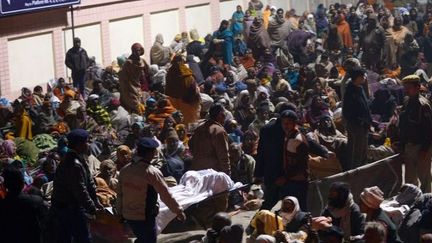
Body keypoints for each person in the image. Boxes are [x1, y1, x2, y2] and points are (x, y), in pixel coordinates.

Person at [117, 137, 186, 243]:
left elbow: (120, 195)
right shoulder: (152, 172)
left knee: (143, 239)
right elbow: (165, 194)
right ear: (150, 153)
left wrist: (120, 213)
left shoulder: (124, 170)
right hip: (144, 217)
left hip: (128, 216)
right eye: (154, 152)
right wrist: (178, 211)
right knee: (149, 240)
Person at [51, 129, 102, 243]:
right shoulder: (73, 164)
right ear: (79, 145)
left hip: (72, 204)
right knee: (81, 237)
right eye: (86, 142)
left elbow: (89, 180)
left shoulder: (80, 157)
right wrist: (92, 208)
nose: (88, 144)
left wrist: (95, 199)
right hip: (67, 206)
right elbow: (80, 190)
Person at [399, 75, 432, 193]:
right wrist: (401, 144)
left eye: (409, 87)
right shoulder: (406, 101)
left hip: (421, 147)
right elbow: (403, 125)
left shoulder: (423, 105)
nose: (406, 90)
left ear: (417, 87)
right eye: (405, 87)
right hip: (409, 146)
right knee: (409, 180)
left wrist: (424, 150)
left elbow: (429, 130)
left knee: (425, 179)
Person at [0, 166, 48, 243]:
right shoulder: (36, 201)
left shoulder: (3, 205)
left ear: (5, 185)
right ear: (23, 183)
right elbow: (46, 225)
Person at [189, 104, 230, 176]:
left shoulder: (199, 128)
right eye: (224, 114)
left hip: (197, 172)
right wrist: (227, 175)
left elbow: (191, 145)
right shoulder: (219, 131)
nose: (225, 118)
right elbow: (223, 156)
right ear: (220, 115)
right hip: (212, 174)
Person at [342, 67, 371, 169]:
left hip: (364, 126)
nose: (364, 78)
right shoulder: (350, 92)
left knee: (363, 150)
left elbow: (365, 106)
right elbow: (348, 112)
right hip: (356, 126)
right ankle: (354, 172)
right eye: (362, 76)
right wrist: (360, 122)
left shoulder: (360, 88)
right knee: (355, 151)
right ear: (357, 77)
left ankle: (362, 170)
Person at [165, 55, 201, 125]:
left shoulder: (170, 73)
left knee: (177, 121)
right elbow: (193, 89)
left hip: (173, 101)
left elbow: (167, 89)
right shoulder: (187, 74)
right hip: (187, 102)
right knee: (189, 122)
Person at [118, 43, 150, 114]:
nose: (138, 52)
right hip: (130, 85)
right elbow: (122, 75)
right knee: (133, 101)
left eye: (139, 50)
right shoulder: (128, 63)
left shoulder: (142, 61)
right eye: (136, 51)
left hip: (138, 83)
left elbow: (148, 70)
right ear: (133, 51)